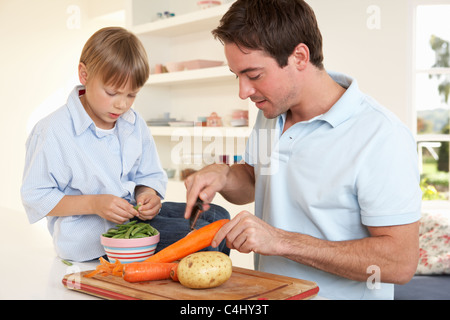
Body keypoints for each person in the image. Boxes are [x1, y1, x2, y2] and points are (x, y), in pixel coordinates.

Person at [184, 0, 421, 299]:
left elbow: (399, 262)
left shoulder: (381, 135)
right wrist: (225, 176)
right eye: (237, 76)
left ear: (299, 56)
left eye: (254, 75)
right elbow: (255, 181)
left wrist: (282, 242)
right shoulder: (271, 111)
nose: (243, 91)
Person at [21, 27, 229, 263]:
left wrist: (148, 194)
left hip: (135, 217)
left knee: (217, 216)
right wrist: (94, 203)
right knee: (209, 241)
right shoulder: (52, 131)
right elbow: (36, 196)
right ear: (84, 74)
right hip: (92, 237)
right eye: (112, 92)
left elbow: (147, 175)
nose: (121, 104)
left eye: (131, 95)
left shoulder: (133, 122)